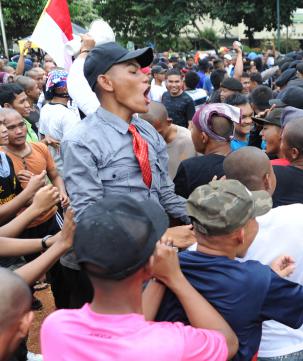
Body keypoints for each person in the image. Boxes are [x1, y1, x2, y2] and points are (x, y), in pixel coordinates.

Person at [155, 179, 303, 361]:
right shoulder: (255, 280)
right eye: (254, 219)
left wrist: (271, 277)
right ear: (240, 234)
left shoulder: (172, 266)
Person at [61, 42, 192, 309]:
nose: (146, 76)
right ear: (106, 82)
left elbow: (164, 193)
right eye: (133, 72)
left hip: (148, 259)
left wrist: (207, 218)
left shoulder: (147, 132)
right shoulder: (81, 140)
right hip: (105, 271)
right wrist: (160, 238)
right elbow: (90, 218)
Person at [41, 196, 239, 361]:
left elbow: (126, 327)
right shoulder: (172, 344)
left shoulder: (56, 327)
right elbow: (228, 344)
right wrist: (175, 278)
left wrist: (158, 278)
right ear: (147, 266)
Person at [225, 147, 303, 361]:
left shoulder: (215, 232)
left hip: (243, 343)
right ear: (267, 180)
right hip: (297, 339)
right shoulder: (300, 215)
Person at [3, 109, 68, 238]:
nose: (19, 131)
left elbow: (54, 176)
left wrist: (62, 192)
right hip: (21, 224)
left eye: (21, 124)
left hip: (50, 216)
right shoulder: (2, 159)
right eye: (11, 127)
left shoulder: (41, 148)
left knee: (57, 251)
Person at [174, 103, 239, 198]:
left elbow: (176, 207)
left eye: (192, 129)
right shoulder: (244, 164)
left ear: (203, 137)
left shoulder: (189, 168)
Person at [39, 69, 81, 176]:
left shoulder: (45, 108)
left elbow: (42, 137)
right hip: (69, 173)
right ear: (63, 88)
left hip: (54, 170)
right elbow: (74, 148)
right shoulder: (68, 115)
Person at [140, 101, 196, 180]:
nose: (154, 138)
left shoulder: (189, 140)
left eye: (159, 133)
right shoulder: (141, 141)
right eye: (148, 134)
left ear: (168, 122)